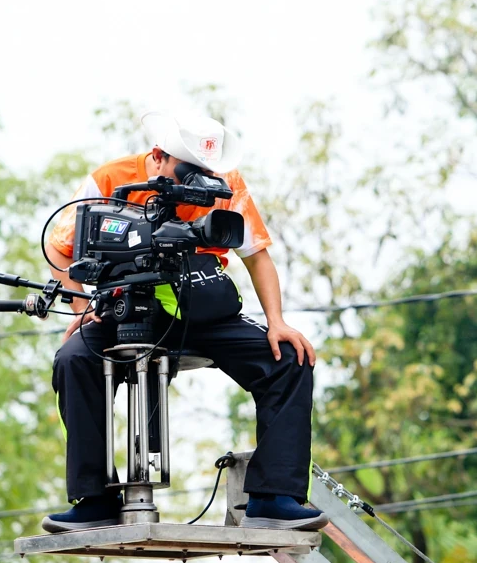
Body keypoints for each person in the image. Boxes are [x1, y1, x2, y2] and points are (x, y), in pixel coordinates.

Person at [40, 112, 326, 532]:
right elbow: (57, 246)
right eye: (190, 170)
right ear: (158, 157)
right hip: (126, 304)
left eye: (207, 171)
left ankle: (274, 498)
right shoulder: (111, 179)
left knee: (289, 358)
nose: (200, 180)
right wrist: (83, 305)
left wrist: (277, 321)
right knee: (74, 359)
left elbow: (256, 254)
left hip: (201, 304)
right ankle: (95, 500)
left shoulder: (227, 183)